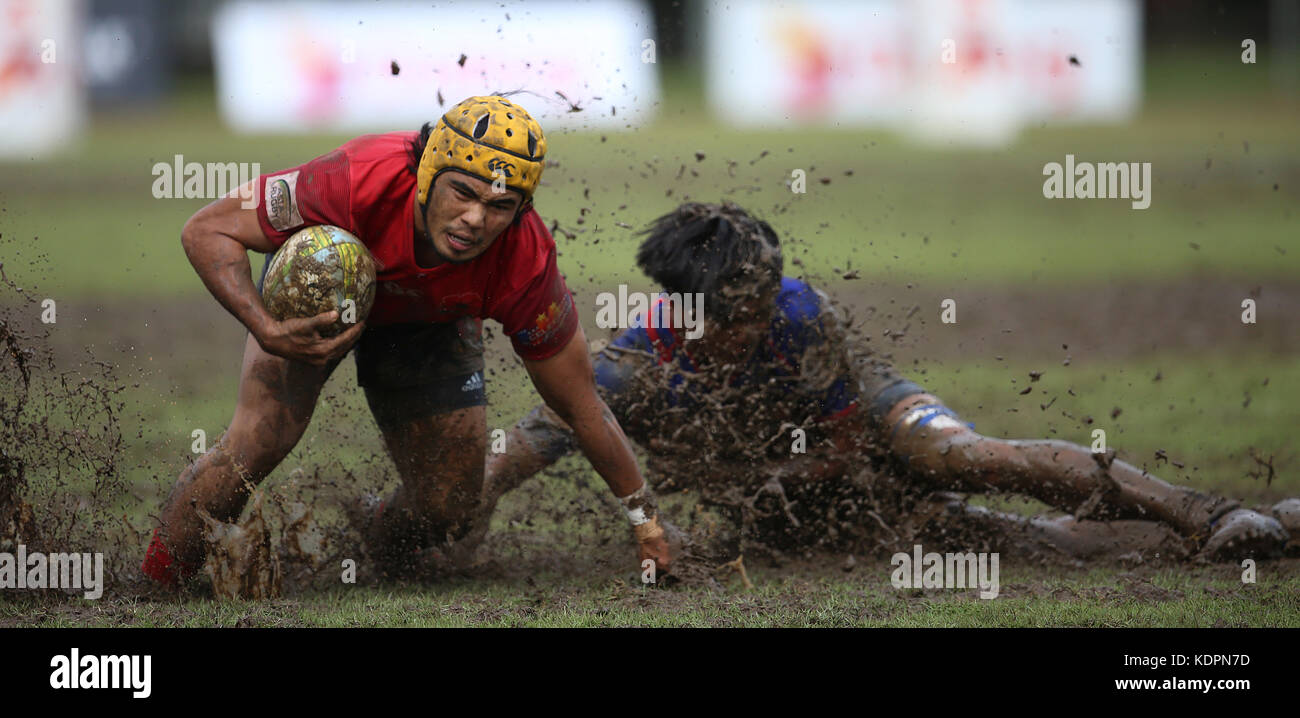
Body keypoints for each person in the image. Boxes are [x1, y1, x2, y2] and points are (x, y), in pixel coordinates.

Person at [480, 201, 1297, 566]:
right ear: (685, 310)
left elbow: (843, 446)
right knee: (999, 543)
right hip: (799, 500)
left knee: (956, 457)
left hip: (857, 433)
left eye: (763, 306)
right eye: (736, 316)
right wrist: (441, 509)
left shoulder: (803, 319)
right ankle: (1265, 534)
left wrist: (768, 482)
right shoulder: (634, 366)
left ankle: (1212, 513)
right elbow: (531, 442)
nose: (752, 324)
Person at [141, 95, 671, 587]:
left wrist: (646, 524)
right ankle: (158, 585)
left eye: (500, 205)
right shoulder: (355, 179)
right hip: (322, 298)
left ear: (521, 211)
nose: (474, 219)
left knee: (451, 507)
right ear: (426, 175)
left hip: (430, 323)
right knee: (260, 438)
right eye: (462, 191)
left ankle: (379, 538)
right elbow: (208, 230)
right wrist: (266, 327)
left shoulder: (524, 259)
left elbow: (581, 406)